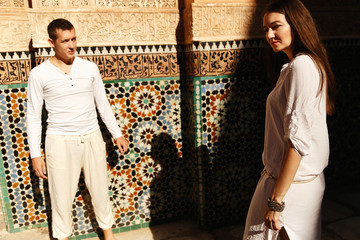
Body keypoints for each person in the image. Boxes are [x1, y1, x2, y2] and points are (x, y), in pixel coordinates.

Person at [26, 18, 129, 240]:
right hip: (59, 141)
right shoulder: (39, 74)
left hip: (92, 137)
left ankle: (108, 235)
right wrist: (35, 154)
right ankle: (62, 237)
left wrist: (117, 133)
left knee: (101, 191)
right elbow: (33, 116)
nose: (71, 45)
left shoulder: (89, 68)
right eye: (65, 41)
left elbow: (102, 104)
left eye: (74, 39)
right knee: (61, 197)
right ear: (51, 42)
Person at [243, 0, 336, 239]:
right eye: (265, 29)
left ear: (297, 25)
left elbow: (299, 140)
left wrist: (276, 201)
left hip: (290, 189)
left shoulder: (302, 66)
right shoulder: (297, 66)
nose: (270, 34)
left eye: (276, 26)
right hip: (290, 184)